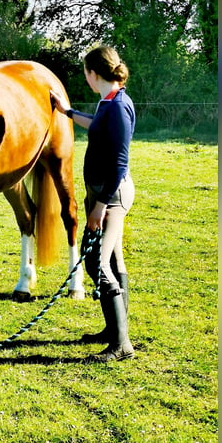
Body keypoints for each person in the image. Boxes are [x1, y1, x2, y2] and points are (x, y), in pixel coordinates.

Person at [50, 45, 135, 362]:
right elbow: (97, 125)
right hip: (106, 194)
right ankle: (115, 331)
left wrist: (99, 207)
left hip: (111, 197)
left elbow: (119, 163)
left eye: (85, 71)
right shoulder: (109, 101)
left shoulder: (116, 107)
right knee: (113, 260)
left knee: (98, 264)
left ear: (92, 73)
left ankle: (120, 346)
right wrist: (67, 112)